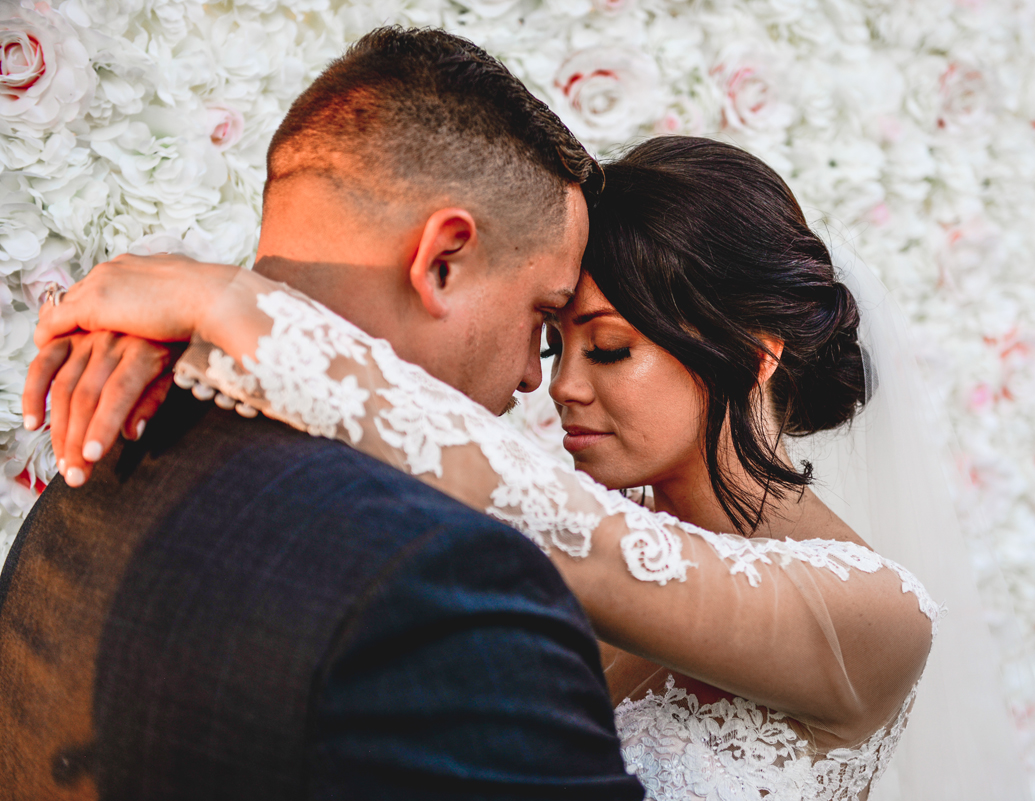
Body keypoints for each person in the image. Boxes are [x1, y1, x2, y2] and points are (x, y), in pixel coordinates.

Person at [26, 137, 952, 799]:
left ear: (755, 353)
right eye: (554, 348)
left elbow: (577, 538)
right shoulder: (562, 519)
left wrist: (235, 308)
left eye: (610, 349)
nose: (561, 391)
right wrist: (206, 366)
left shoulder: (876, 614)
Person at [0, 27, 646, 800]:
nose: (531, 380)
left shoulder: (103, 450)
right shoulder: (442, 573)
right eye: (542, 322)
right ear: (442, 261)